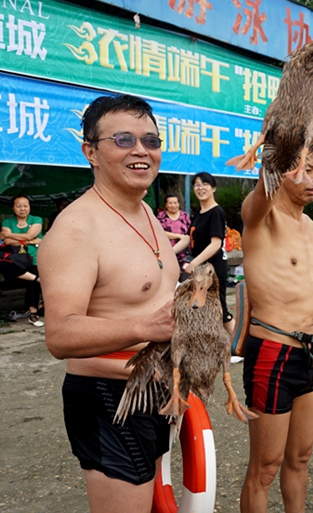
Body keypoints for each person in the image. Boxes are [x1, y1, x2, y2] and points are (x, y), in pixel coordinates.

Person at [38, 94, 177, 513]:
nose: (141, 150)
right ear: (91, 152)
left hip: (158, 391)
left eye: (151, 140)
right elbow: (60, 334)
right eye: (123, 140)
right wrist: (143, 328)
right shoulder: (76, 230)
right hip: (109, 397)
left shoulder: (146, 213)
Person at [238, 148, 313, 513]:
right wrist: (279, 145)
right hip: (272, 353)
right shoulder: (261, 215)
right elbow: (262, 192)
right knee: (265, 467)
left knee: (300, 457)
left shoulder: (309, 226)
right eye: (305, 169)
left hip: (309, 354)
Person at [184, 172, 234, 335]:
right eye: (197, 185)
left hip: (213, 269)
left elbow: (215, 244)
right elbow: (188, 238)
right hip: (200, 269)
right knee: (201, 307)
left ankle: (239, 345)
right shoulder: (199, 214)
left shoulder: (216, 212)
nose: (200, 188)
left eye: (205, 184)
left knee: (220, 309)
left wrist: (193, 263)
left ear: (213, 188)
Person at [2, 194, 45, 326]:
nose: (22, 209)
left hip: (34, 257)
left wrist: (10, 234)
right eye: (19, 206)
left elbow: (30, 234)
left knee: (33, 280)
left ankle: (33, 313)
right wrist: (32, 241)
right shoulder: (7, 222)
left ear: (29, 207)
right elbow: (7, 241)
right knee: (4, 265)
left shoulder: (36, 219)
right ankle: (36, 279)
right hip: (16, 258)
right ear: (13, 208)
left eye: (25, 206)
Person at [157, 194, 192, 264]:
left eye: (175, 203)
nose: (173, 205)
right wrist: (179, 236)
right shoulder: (161, 216)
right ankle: (169, 256)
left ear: (178, 204)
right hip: (167, 250)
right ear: (166, 205)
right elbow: (160, 233)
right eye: (170, 203)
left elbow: (189, 232)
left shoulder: (184, 215)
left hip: (184, 255)